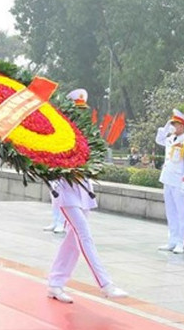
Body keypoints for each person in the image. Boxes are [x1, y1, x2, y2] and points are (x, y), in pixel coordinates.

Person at [47, 89, 128, 303]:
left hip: (82, 190)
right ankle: (105, 284)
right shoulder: (58, 133)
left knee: (73, 241)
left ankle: (55, 282)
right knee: (84, 235)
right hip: (65, 190)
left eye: (83, 110)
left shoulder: (86, 135)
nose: (81, 115)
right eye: (77, 110)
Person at [154, 109, 184, 254]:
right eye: (172, 124)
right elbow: (159, 140)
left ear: (183, 126)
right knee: (171, 212)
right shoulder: (171, 139)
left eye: (175, 124)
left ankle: (181, 243)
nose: (173, 126)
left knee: (182, 214)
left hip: (180, 182)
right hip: (168, 179)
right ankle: (172, 240)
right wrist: (165, 128)